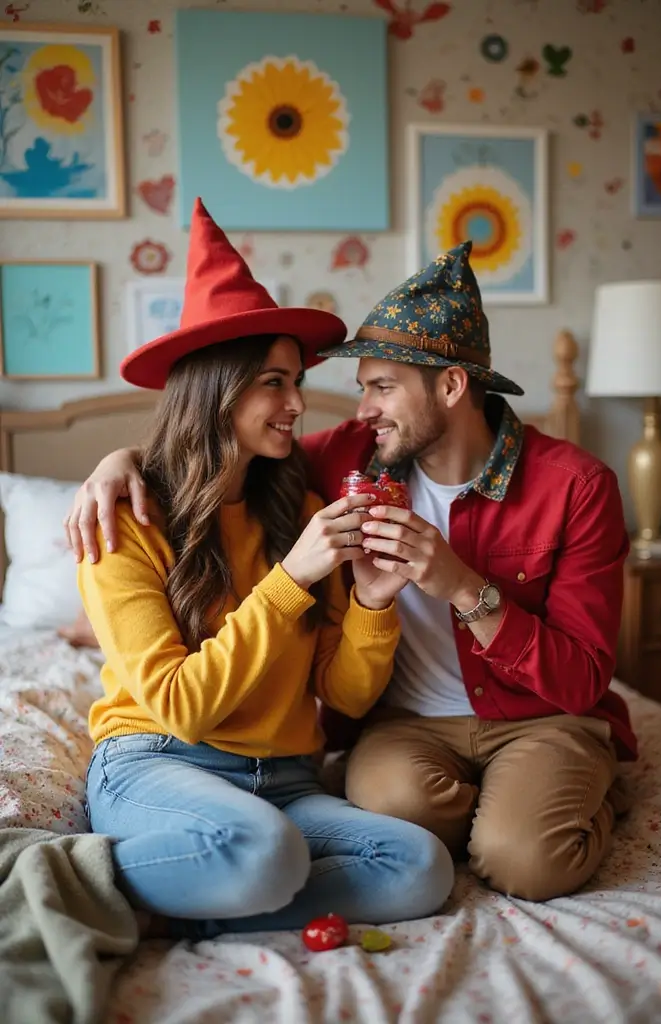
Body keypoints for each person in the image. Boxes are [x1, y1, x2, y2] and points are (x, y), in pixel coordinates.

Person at [68, 240, 636, 904]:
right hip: (190, 750)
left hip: (496, 727)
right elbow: (201, 455)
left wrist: (410, 595)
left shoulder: (571, 485)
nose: (345, 409)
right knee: (285, 844)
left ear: (452, 387)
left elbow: (576, 678)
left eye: (380, 388)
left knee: (454, 867)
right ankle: (143, 882)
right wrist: (119, 459)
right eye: (278, 383)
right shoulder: (156, 510)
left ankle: (209, 902)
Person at [75, 199, 454, 940]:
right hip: (158, 760)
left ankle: (202, 900)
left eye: (295, 382)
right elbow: (180, 705)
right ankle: (87, 876)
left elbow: (338, 692)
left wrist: (373, 605)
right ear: (218, 388)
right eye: (275, 382)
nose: (298, 403)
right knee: (266, 850)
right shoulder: (122, 518)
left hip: (283, 777)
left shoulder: (298, 505)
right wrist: (291, 581)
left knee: (421, 868)